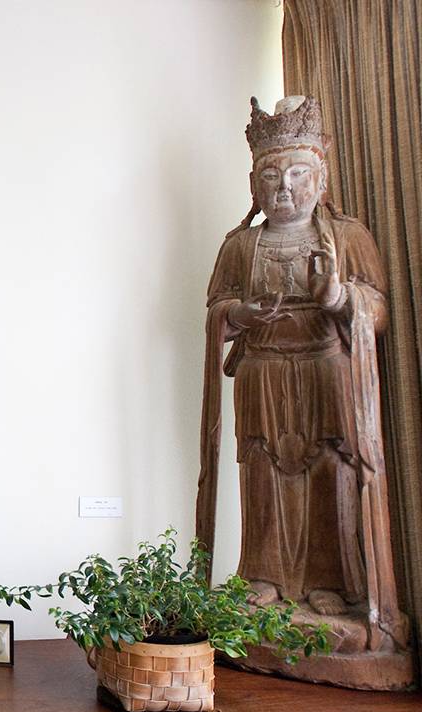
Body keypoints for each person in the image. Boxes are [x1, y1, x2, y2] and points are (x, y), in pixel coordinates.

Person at [196, 96, 409, 671]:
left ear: (320, 177)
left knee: (330, 472)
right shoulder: (242, 244)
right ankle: (262, 574)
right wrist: (243, 312)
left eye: (296, 174)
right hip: (264, 369)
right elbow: (215, 312)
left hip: (326, 366)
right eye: (271, 175)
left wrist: (339, 298)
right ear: (253, 183)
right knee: (262, 470)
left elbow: (378, 310)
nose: (284, 187)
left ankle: (330, 584)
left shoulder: (348, 236)